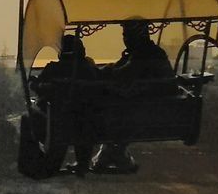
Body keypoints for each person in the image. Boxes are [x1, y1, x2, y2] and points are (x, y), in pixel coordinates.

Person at [93, 20, 176, 173]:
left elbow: (123, 72)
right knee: (114, 97)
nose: (124, 39)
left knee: (105, 99)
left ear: (137, 35)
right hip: (152, 107)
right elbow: (120, 69)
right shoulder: (145, 52)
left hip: (149, 109)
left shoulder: (146, 54)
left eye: (126, 35)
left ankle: (112, 153)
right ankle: (113, 154)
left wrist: (98, 72)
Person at [35, 34, 98, 174]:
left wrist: (37, 85)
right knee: (81, 122)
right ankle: (82, 163)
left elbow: (39, 88)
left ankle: (52, 163)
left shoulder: (54, 69)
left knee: (47, 115)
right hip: (86, 122)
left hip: (60, 121)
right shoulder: (89, 69)